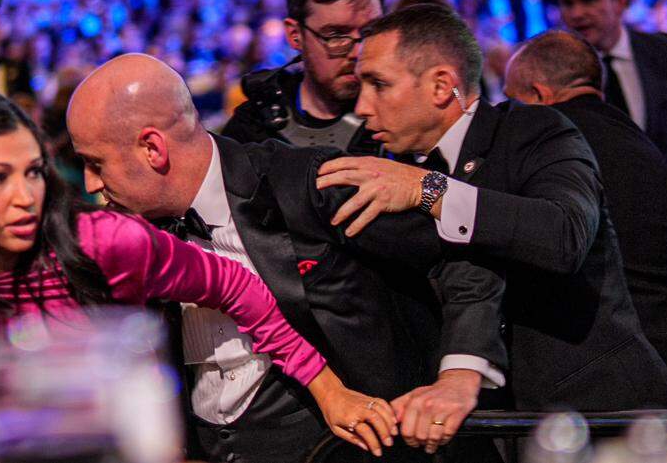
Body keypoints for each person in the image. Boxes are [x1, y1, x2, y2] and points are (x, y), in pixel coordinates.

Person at [0, 88, 395, 456]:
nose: (26, 196)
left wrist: (327, 389)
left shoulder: (105, 239)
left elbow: (236, 284)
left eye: (34, 171)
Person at [66, 54, 506, 460]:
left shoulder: (307, 183)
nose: (88, 183)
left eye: (96, 163)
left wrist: (459, 376)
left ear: (152, 149)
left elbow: (462, 256)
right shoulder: (125, 231)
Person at [316, 3, 667, 413]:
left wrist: (429, 189)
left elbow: (564, 236)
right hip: (481, 427)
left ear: (442, 86)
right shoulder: (387, 167)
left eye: (379, 84)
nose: (362, 106)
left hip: (603, 415)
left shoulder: (536, 130)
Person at [502, 30, 667, 408]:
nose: (508, 114)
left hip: (627, 369)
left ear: (540, 96)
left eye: (512, 101)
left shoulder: (555, 144)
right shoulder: (636, 140)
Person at [222, 0, 385, 155]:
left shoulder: (404, 117)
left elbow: (434, 180)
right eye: (336, 36)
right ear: (295, 35)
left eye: (370, 32)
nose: (358, 52)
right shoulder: (253, 130)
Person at [558, 0, 667, 185]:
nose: (576, 14)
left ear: (619, 1)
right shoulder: (552, 70)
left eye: (589, 0)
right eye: (568, 3)